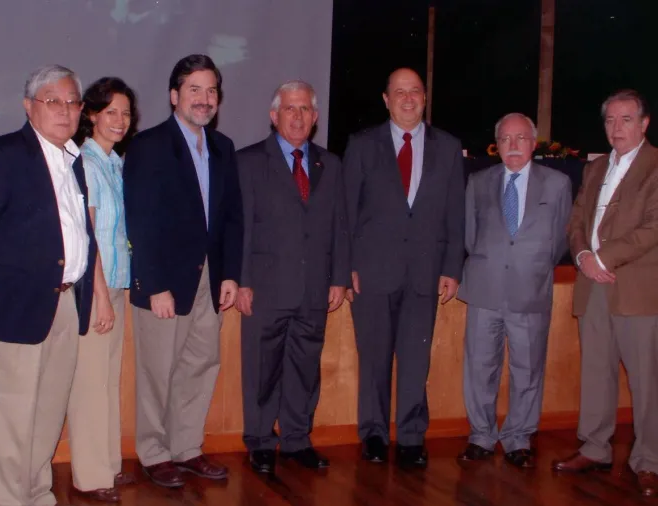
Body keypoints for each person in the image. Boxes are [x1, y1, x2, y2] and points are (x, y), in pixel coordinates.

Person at [0, 64, 97, 506]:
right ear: (28, 106)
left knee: (47, 407)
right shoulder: (2, 153)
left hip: (63, 300)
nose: (65, 110)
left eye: (72, 102)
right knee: (8, 412)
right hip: (12, 305)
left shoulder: (73, 159)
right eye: (52, 100)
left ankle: (36, 492)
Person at [124, 54, 243, 488]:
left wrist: (230, 274)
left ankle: (187, 447)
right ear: (175, 95)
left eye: (211, 91)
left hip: (210, 279)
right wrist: (154, 285)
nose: (204, 99)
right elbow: (140, 220)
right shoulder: (149, 145)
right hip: (166, 282)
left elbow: (231, 217)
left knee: (201, 363)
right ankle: (154, 453)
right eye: (195, 89)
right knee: (158, 370)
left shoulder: (223, 147)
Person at [343, 67, 465, 468]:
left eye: (415, 91)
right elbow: (347, 213)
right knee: (374, 359)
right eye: (399, 92)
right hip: (372, 273)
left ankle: (412, 436)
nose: (408, 98)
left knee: (416, 359)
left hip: (424, 273)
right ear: (386, 99)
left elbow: (455, 213)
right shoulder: (362, 146)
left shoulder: (448, 147)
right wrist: (347, 267)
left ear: (425, 98)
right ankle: (374, 435)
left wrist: (452, 267)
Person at [236, 81, 349, 474]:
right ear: (274, 116)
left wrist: (338, 278)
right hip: (265, 287)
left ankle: (297, 439)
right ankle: (260, 441)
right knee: (262, 369)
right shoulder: (249, 161)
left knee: (304, 368)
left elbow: (339, 225)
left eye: (305, 109)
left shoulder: (330, 164)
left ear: (315, 117)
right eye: (289, 108)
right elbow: (242, 227)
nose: (297, 116)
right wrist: (242, 281)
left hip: (314, 287)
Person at [554, 89, 658, 497]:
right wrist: (582, 256)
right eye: (610, 120)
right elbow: (577, 220)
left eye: (626, 119)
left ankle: (649, 460)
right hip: (591, 283)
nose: (617, 127)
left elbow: (653, 227)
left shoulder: (655, 165)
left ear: (644, 123)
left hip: (635, 288)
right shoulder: (595, 168)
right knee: (596, 372)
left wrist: (603, 258)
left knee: (647, 380)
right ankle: (595, 448)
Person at [457, 113, 572, 468]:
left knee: (528, 370)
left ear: (533, 143)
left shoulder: (557, 184)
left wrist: (530, 264)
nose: (513, 145)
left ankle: (518, 438)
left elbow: (560, 240)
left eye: (521, 138)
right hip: (484, 289)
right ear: (497, 145)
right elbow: (470, 236)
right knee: (480, 368)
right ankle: (481, 436)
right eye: (505, 139)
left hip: (530, 289)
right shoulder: (478, 182)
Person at [66, 77, 137, 503]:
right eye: (111, 112)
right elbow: (88, 235)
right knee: (91, 382)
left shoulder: (115, 163)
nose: (120, 120)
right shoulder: (87, 164)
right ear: (91, 115)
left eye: (125, 113)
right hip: (96, 287)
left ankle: (108, 465)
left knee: (108, 380)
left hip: (116, 282)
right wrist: (98, 296)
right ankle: (90, 477)